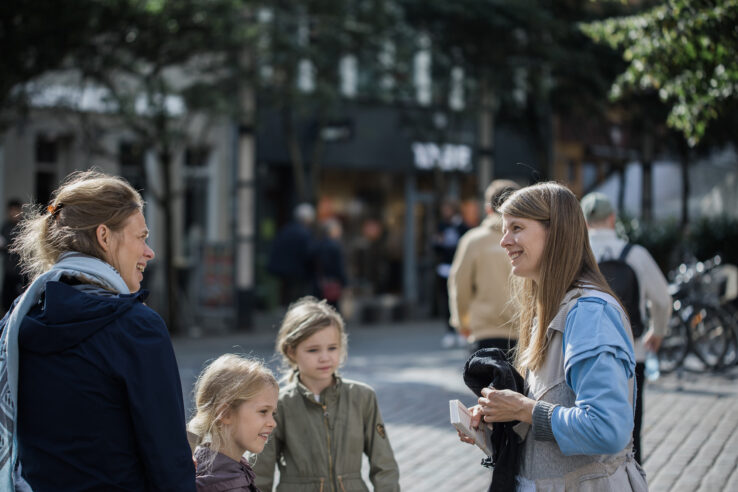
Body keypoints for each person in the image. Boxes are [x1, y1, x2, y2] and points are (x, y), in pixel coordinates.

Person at [0, 170, 195, 491]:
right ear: (104, 237)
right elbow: (169, 460)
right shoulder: (136, 327)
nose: (150, 252)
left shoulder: (18, 320)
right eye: (141, 237)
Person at [460, 182, 647, 491]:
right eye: (504, 229)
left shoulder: (589, 313)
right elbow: (550, 421)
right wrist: (500, 417)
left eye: (516, 228)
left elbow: (607, 428)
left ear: (556, 233)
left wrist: (524, 409)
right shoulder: (553, 307)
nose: (504, 241)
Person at [253, 297, 400, 491]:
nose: (325, 357)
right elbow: (260, 473)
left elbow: (384, 465)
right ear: (291, 352)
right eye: (313, 350)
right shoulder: (277, 405)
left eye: (332, 348)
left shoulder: (363, 397)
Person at [581, 191, 672, 464]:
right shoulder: (637, 254)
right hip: (632, 353)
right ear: (612, 218)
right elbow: (663, 299)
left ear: (584, 222)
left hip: (587, 353)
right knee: (631, 427)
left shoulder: (578, 254)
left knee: (586, 424)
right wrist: (657, 331)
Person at [448, 179, 520, 357]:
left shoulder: (473, 240)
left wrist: (462, 322)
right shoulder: (528, 238)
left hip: (484, 330)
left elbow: (460, 284)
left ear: (488, 208)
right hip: (522, 332)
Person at [188, 354, 279, 492]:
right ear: (225, 413)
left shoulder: (202, 465)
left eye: (273, 414)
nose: (273, 423)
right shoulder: (225, 484)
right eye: (263, 411)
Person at [434, 198, 470, 348]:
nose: (445, 212)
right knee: (446, 301)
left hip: (459, 267)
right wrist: (438, 242)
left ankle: (462, 330)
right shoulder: (442, 225)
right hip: (444, 269)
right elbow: (436, 247)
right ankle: (449, 331)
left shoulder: (463, 227)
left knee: (461, 298)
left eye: (448, 209)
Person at [268, 203, 316, 306]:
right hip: (297, 270)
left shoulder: (286, 229)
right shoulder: (304, 233)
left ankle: (287, 310)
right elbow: (308, 253)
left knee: (287, 293)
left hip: (284, 270)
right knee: (298, 294)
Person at [312, 218, 348, 311]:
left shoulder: (318, 244)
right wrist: (345, 282)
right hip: (332, 282)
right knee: (333, 309)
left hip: (320, 282)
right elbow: (338, 267)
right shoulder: (334, 246)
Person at [1, 199, 24, 313]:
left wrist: (8, 246)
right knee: (7, 301)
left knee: (20, 301)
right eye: (11, 211)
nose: (13, 213)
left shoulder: (24, 227)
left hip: (21, 271)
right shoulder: (5, 227)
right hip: (8, 270)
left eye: (16, 210)